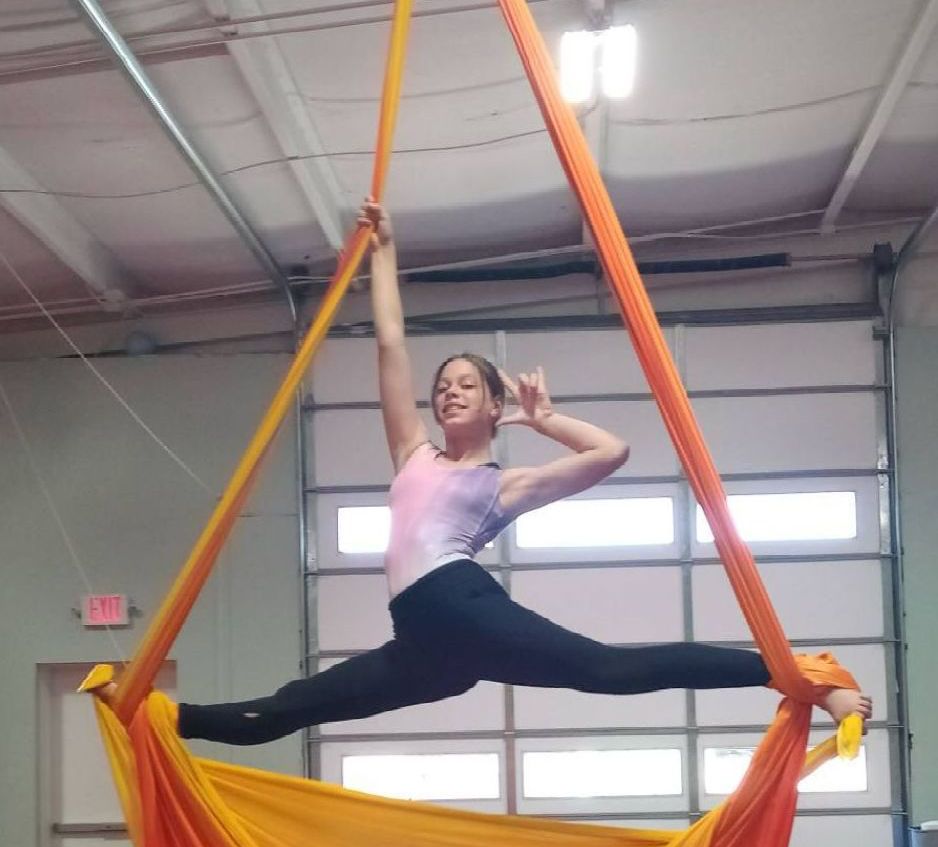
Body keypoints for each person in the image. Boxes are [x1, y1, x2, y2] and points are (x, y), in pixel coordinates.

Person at [97, 199, 872, 744]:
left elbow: (610, 453)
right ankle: (161, 719)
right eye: (444, 387)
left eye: (466, 384)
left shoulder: (503, 484)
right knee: (303, 704)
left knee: (605, 669)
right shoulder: (414, 453)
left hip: (460, 604)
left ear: (495, 406)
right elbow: (390, 347)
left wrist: (543, 418)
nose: (446, 392)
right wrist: (385, 254)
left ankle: (804, 676)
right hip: (427, 643)